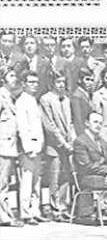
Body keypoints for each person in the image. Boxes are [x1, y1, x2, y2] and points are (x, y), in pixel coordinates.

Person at [40, 70, 76, 221]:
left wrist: (72, 141)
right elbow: (50, 125)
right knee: (54, 177)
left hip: (67, 145)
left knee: (65, 176)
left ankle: (62, 205)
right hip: (54, 146)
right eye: (58, 82)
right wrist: (63, 143)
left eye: (63, 82)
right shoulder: (46, 99)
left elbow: (70, 123)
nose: (61, 85)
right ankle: (54, 209)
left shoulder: (66, 100)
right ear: (52, 83)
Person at [16, 72, 47, 224]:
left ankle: (35, 210)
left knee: (37, 181)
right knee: (27, 181)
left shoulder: (33, 100)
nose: (34, 84)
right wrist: (29, 148)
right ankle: (26, 213)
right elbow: (22, 127)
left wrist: (39, 145)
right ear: (23, 84)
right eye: (30, 82)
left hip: (38, 146)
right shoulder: (22, 101)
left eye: (36, 82)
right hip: (28, 149)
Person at [0, 68, 22, 227]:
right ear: (3, 79)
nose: (15, 78)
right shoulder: (1, 96)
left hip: (10, 145)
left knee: (4, 182)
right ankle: (5, 217)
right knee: (2, 183)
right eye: (11, 75)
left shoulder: (10, 96)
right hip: (3, 145)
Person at [70, 68, 96, 135]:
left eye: (92, 80)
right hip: (82, 133)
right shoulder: (76, 96)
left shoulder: (88, 94)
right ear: (80, 80)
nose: (90, 83)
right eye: (87, 79)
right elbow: (78, 121)